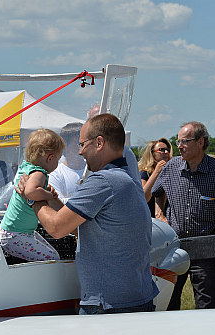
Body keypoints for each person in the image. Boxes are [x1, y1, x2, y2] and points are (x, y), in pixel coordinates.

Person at [19, 114, 158, 314]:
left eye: (83, 144)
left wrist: (32, 198)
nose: (80, 151)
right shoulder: (127, 177)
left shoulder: (103, 181)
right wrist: (50, 196)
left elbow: (57, 228)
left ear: (99, 142)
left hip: (108, 305)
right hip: (134, 297)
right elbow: (76, 225)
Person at [152, 122, 215, 310]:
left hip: (206, 249)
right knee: (167, 305)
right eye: (178, 141)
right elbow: (157, 193)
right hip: (173, 247)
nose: (179, 146)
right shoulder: (171, 167)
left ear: (200, 142)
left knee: (208, 308)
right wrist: (160, 214)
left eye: (185, 141)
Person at [0, 129, 64, 262]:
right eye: (58, 159)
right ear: (50, 158)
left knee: (52, 253)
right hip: (15, 235)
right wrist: (48, 196)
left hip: (13, 232)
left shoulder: (26, 167)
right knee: (52, 258)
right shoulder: (39, 173)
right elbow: (30, 192)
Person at [48, 122, 85, 203]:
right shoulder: (55, 174)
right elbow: (58, 203)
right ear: (65, 146)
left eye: (83, 144)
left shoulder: (95, 169)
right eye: (77, 144)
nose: (81, 148)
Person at [138, 138, 172, 220]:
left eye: (168, 150)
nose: (166, 153)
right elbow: (143, 198)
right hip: (151, 221)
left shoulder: (171, 173)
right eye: (162, 150)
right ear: (152, 154)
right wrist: (156, 172)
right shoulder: (145, 173)